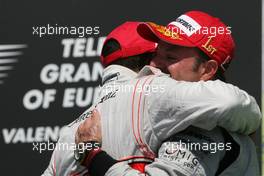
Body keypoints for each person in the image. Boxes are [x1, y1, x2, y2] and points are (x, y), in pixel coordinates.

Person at [42, 19, 261, 176]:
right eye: (156, 55)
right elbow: (232, 104)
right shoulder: (167, 101)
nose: (155, 64)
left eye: (170, 56)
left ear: (207, 69)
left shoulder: (205, 123)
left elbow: (227, 102)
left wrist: (94, 157)